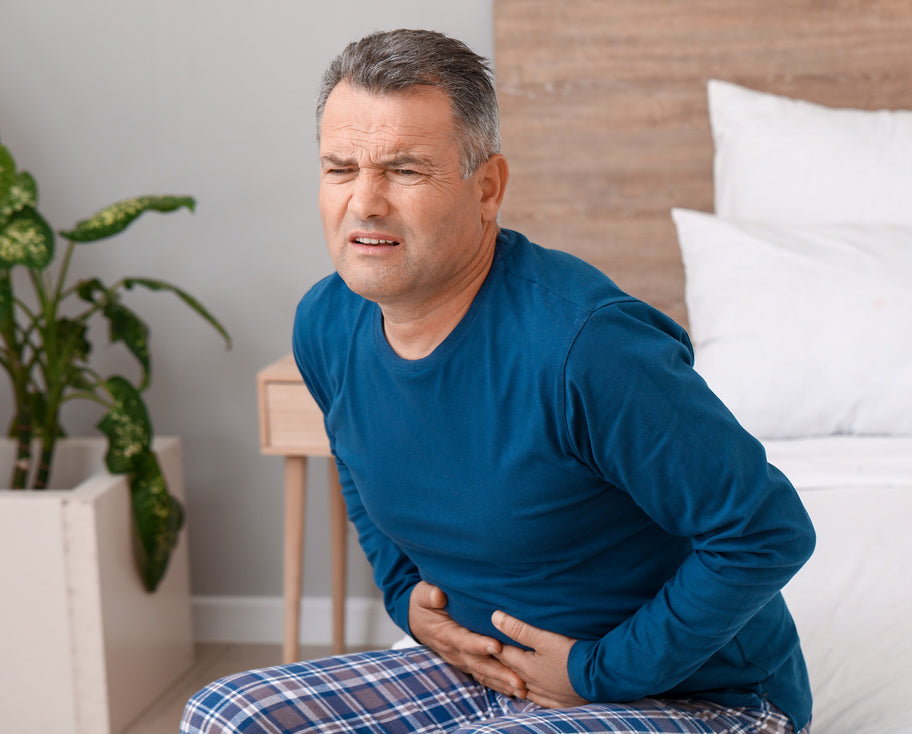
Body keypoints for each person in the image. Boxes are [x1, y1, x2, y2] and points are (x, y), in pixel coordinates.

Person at [182, 29, 816, 734]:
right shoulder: (326, 325)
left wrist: (597, 673)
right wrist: (406, 599)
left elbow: (766, 531)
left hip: (698, 694)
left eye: (404, 170)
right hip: (482, 670)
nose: (364, 202)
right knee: (225, 715)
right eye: (340, 168)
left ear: (487, 188)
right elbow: (358, 468)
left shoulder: (588, 347)